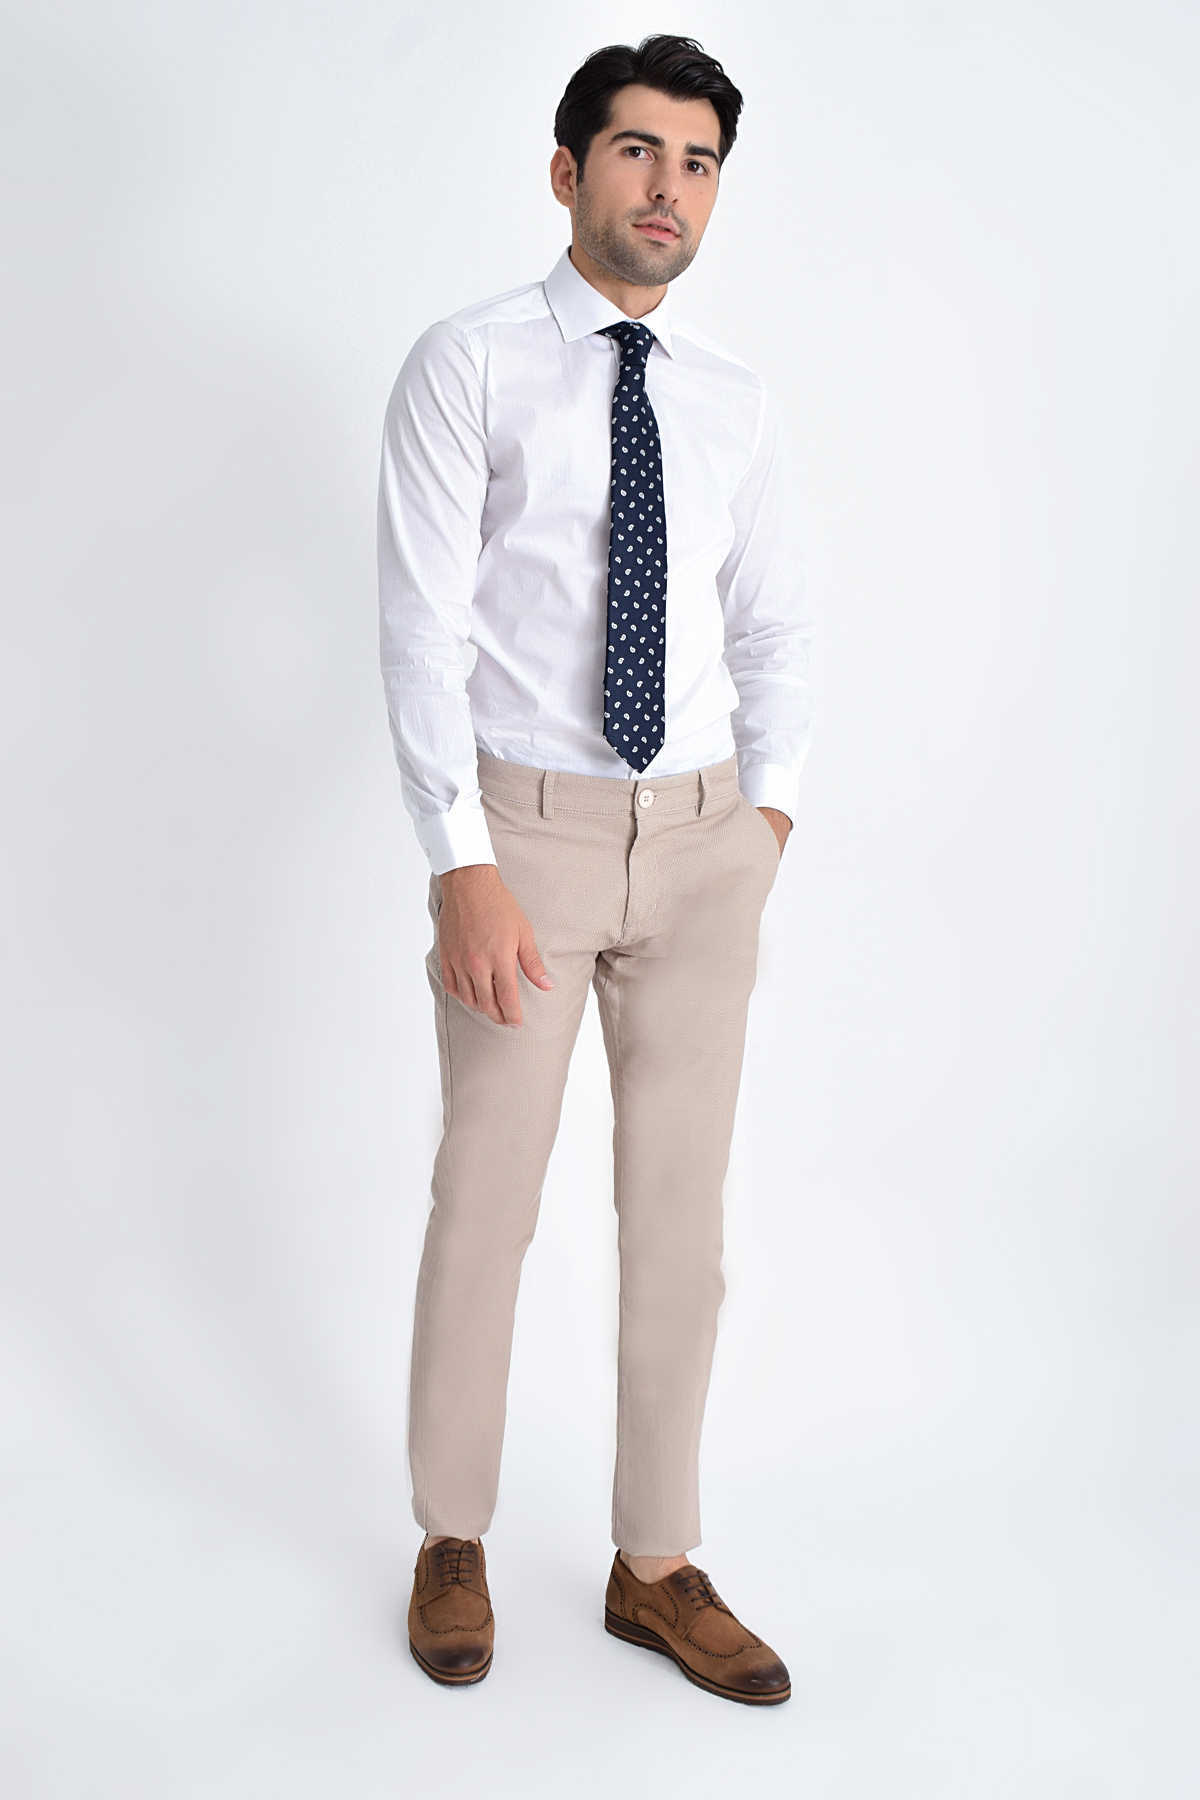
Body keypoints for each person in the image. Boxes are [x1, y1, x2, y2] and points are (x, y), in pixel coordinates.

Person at [377, 32, 814, 1706]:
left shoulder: (731, 400)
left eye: (698, 163)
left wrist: (764, 825)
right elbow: (421, 629)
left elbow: (775, 628)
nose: (668, 188)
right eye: (639, 152)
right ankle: (452, 1536)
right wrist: (460, 861)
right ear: (569, 172)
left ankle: (656, 1562)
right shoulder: (470, 365)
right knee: (485, 1202)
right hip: (529, 840)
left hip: (703, 847)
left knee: (681, 1229)